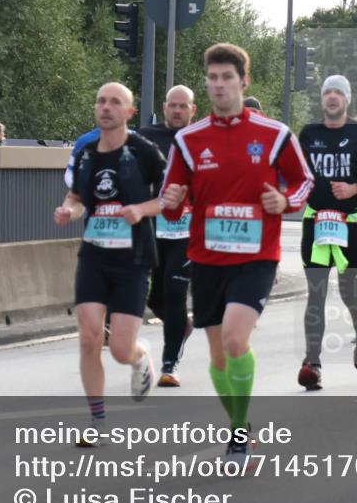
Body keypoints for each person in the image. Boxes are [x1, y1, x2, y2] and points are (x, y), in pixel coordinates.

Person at [160, 43, 314, 464]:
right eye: (212, 78)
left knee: (234, 339)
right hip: (206, 258)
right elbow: (171, 202)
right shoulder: (189, 140)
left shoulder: (275, 134)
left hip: (256, 256)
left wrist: (285, 201)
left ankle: (240, 437)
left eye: (227, 77)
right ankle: (240, 426)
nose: (219, 85)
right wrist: (172, 201)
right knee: (217, 356)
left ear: (243, 81)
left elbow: (303, 181)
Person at [55, 82, 166, 440]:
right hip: (94, 255)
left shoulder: (145, 152)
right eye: (101, 101)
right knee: (89, 337)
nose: (106, 107)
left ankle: (139, 356)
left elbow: (173, 197)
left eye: (115, 102)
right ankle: (98, 423)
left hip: (133, 259)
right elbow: (77, 196)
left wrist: (142, 209)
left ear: (129, 112)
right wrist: (68, 210)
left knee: (119, 349)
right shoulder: (86, 152)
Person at [297, 75, 357, 390]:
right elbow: (295, 173)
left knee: (348, 291)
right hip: (317, 221)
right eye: (327, 92)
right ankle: (312, 364)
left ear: (347, 99)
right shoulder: (309, 134)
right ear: (322, 98)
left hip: (352, 222)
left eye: (338, 93)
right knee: (315, 293)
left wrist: (355, 188)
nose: (332, 97)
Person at [138, 85, 198, 386]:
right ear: (164, 108)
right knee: (154, 297)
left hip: (187, 230)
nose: (177, 111)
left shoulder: (201, 138)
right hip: (153, 227)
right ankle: (181, 325)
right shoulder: (146, 136)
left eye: (183, 106)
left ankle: (169, 364)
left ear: (192, 110)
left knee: (175, 293)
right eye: (172, 106)